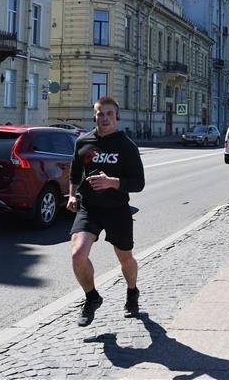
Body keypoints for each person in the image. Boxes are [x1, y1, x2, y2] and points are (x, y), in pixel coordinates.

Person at [67, 96, 145, 326]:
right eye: (100, 114)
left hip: (117, 209)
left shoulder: (126, 146)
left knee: (125, 259)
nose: (105, 118)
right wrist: (72, 195)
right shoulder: (83, 142)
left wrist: (112, 182)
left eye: (109, 113)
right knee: (77, 254)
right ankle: (92, 298)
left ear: (117, 117)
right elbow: (75, 171)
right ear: (95, 116)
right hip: (89, 208)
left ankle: (132, 292)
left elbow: (138, 183)